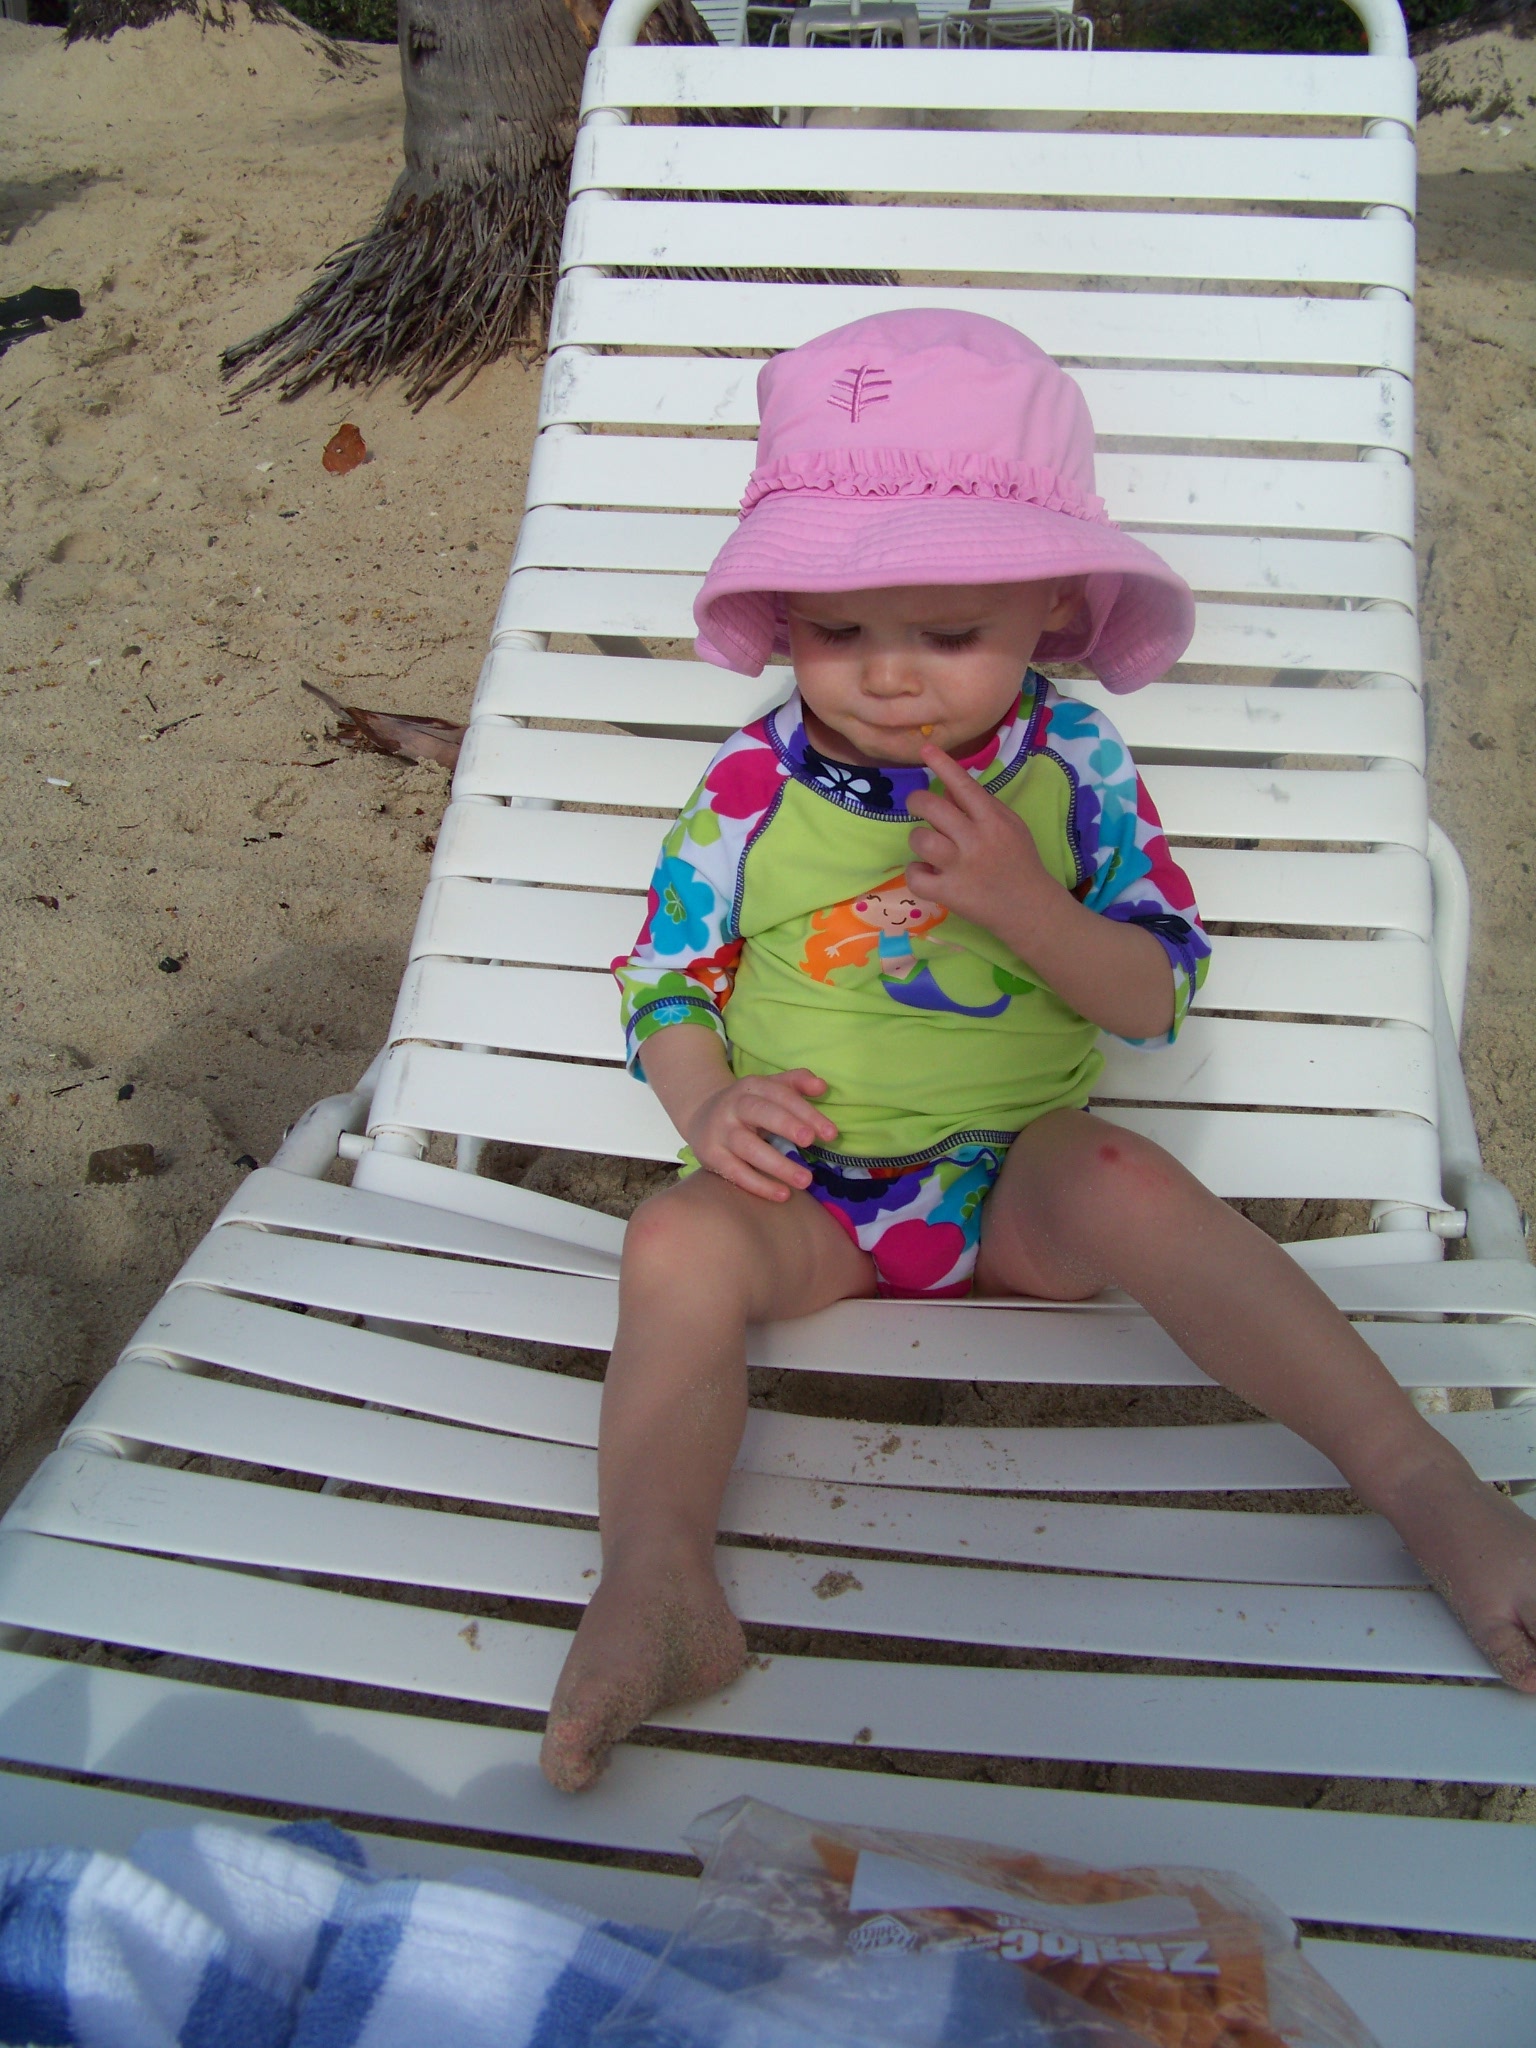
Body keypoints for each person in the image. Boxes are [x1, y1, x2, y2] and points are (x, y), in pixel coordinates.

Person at [538, 311, 1536, 1794]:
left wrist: (1024, 906)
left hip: (1016, 1187)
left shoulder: (1075, 766)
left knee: (1128, 1175)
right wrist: (710, 1103)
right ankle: (658, 1577)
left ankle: (1422, 1482)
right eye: (837, 631)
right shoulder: (750, 783)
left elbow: (1152, 995)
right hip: (811, 1203)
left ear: (1052, 608)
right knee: (674, 1241)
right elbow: (666, 979)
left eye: (950, 635)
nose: (888, 677)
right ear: (785, 613)